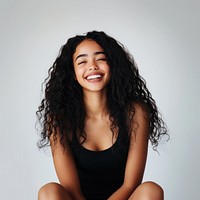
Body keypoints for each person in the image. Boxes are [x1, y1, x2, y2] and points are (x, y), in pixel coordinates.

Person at [36, 30, 168, 200]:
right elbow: (72, 189)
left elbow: (130, 184)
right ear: (74, 75)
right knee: (48, 192)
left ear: (112, 66)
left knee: (152, 190)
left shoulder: (136, 113)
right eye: (82, 61)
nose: (92, 66)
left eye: (100, 59)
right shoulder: (59, 120)